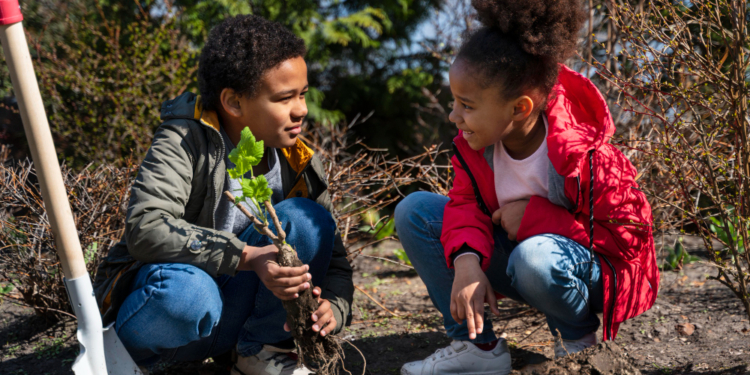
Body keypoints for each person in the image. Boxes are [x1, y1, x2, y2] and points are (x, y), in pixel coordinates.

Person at [394, 1, 658, 373]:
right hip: (524, 258)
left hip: (588, 274)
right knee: (415, 211)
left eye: (466, 105)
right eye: (454, 102)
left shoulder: (586, 154)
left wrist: (536, 219)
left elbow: (628, 241)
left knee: (534, 256)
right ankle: (476, 347)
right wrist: (467, 262)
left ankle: (577, 348)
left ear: (519, 108)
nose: (454, 116)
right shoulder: (476, 148)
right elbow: (464, 205)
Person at [93, 15, 353, 375]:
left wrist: (335, 309)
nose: (302, 110)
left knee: (310, 221)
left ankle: (257, 351)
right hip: (174, 314)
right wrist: (247, 256)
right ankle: (137, 363)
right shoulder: (184, 140)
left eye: (303, 94)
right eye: (284, 98)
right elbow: (146, 228)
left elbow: (336, 261)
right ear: (232, 102)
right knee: (189, 293)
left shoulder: (299, 160)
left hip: (232, 319)